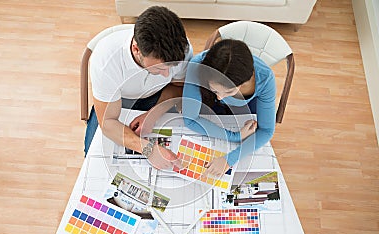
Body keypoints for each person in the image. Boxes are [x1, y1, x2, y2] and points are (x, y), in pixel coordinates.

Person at [85, 6, 193, 169]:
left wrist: (154, 113)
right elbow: (108, 122)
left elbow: (177, 86)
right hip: (118, 101)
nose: (166, 75)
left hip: (158, 95)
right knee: (95, 163)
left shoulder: (182, 50)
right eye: (158, 69)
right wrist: (148, 149)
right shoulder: (105, 62)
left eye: (171, 67)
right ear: (136, 49)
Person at [182, 39, 276, 177]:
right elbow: (189, 119)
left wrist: (229, 159)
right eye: (215, 90)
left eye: (229, 91)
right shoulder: (197, 66)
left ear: (245, 82)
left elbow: (267, 130)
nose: (220, 97)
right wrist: (234, 136)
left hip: (246, 107)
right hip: (209, 104)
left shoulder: (265, 78)